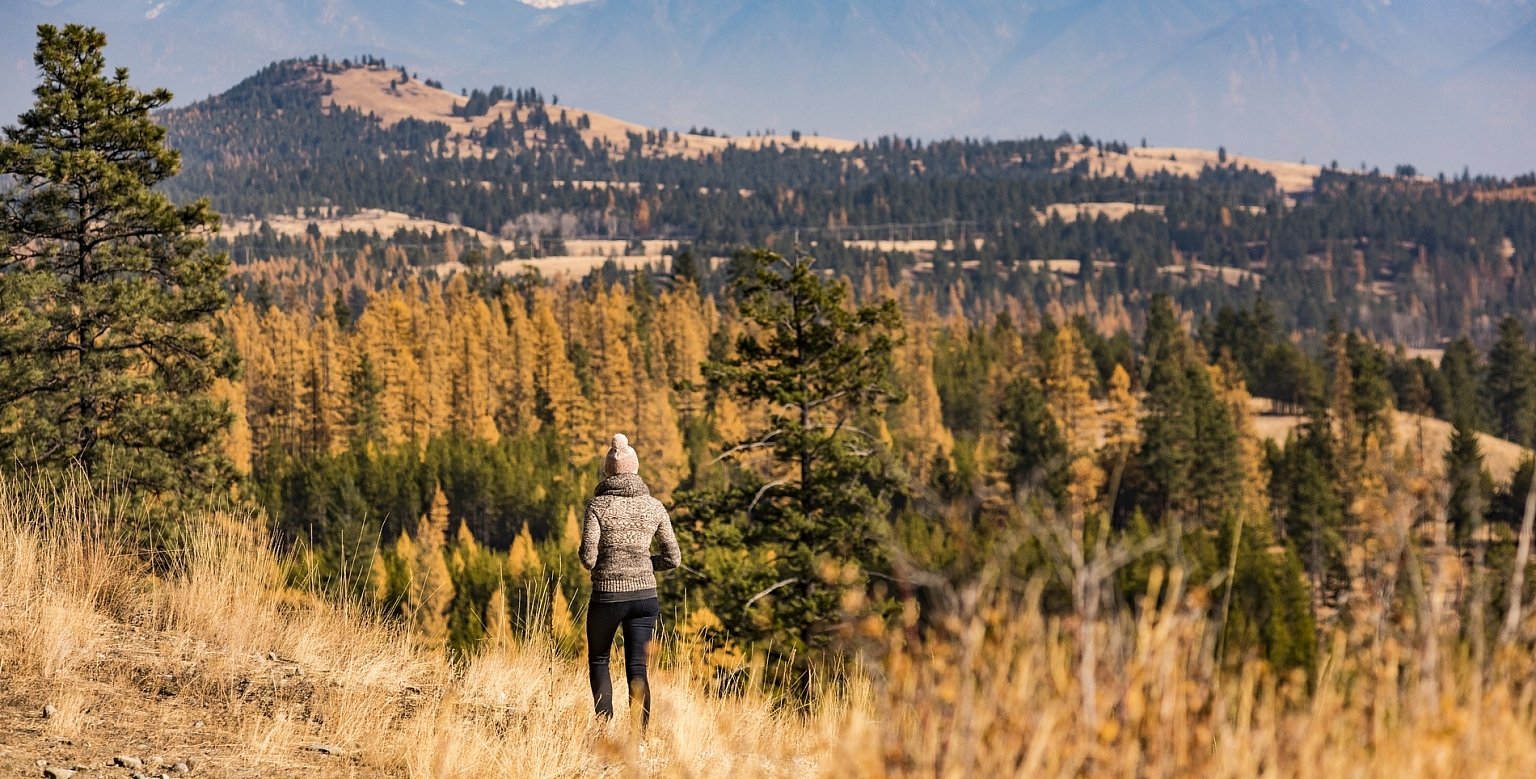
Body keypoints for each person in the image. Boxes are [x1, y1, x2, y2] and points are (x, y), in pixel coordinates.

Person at [579, 433, 681, 729]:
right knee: (638, 667)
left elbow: (588, 557)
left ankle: (603, 729)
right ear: (635, 470)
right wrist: (646, 564)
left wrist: (606, 564)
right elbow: (673, 558)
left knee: (599, 660)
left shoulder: (597, 506)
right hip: (644, 596)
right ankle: (641, 735)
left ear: (607, 472)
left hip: (607, 596)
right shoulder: (655, 507)